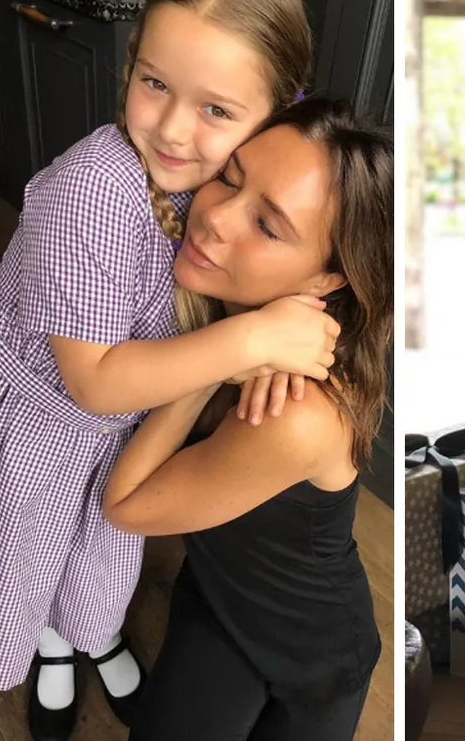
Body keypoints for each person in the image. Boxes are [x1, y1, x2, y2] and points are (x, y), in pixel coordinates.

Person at [0, 0, 336, 739]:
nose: (174, 130)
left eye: (216, 110)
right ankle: (55, 644)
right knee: (32, 551)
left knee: (101, 553)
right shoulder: (90, 193)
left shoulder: (210, 187)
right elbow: (93, 382)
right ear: (130, 68)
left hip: (124, 429)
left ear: (280, 110)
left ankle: (94, 631)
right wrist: (249, 344)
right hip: (47, 427)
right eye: (154, 83)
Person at [102, 97, 392, 741]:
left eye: (269, 225)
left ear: (326, 279)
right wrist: (235, 344)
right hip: (213, 588)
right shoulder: (220, 306)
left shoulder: (297, 411)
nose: (214, 218)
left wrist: (218, 358)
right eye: (230, 178)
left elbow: (123, 505)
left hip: (308, 650)